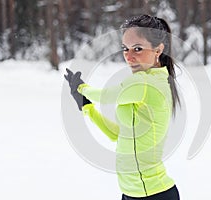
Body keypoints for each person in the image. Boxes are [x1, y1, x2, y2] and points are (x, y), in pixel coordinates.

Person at [65, 14, 181, 200]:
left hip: (154, 194)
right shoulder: (147, 82)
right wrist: (87, 107)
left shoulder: (147, 83)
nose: (129, 56)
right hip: (131, 193)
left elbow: (106, 96)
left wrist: (82, 88)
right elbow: (118, 135)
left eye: (137, 48)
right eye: (125, 49)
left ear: (158, 50)